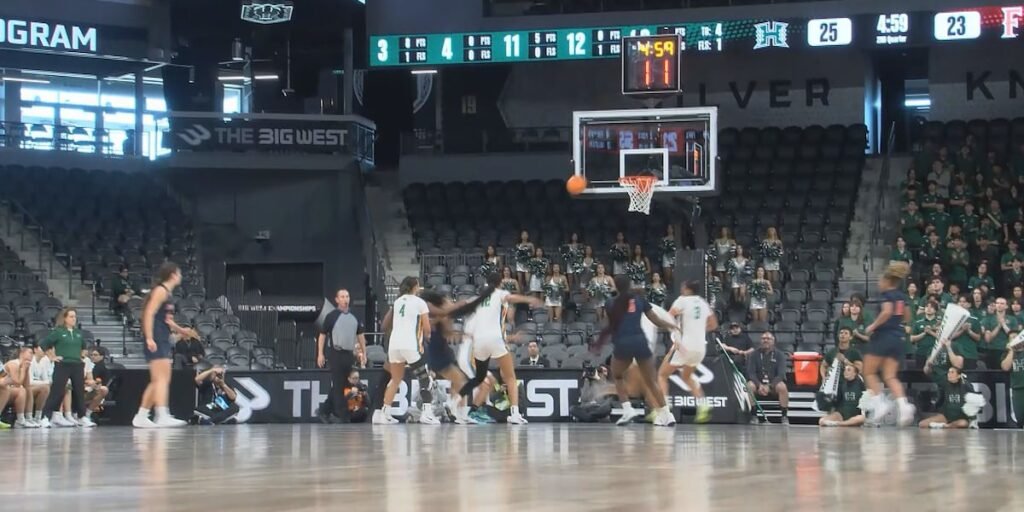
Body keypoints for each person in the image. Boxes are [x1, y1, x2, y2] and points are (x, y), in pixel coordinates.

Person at [450, 272, 542, 425]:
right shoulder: (500, 293)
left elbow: (462, 306)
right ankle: (514, 414)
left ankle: (456, 400)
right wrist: (529, 298)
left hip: (479, 342)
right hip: (495, 339)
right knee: (511, 377)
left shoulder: (479, 298)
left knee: (479, 378)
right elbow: (511, 298)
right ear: (500, 283)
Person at [599, 275, 680, 427]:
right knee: (651, 381)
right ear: (629, 285)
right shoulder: (640, 300)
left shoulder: (610, 303)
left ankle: (627, 409)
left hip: (623, 343)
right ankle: (667, 414)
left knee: (617, 376)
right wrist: (672, 326)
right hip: (641, 343)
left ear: (615, 286)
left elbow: (610, 324)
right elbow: (655, 319)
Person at [133, 262, 196, 428]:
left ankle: (141, 415)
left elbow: (167, 319)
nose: (181, 276)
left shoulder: (167, 293)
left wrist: (181, 330)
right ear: (173, 275)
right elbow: (148, 313)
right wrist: (149, 337)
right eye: (179, 273)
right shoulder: (160, 291)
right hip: (157, 337)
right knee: (161, 379)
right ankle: (161, 414)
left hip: (163, 336)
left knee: (159, 380)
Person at [860, 262, 916, 426]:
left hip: (883, 336)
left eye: (880, 281)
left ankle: (880, 403)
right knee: (890, 376)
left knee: (868, 372)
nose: (879, 283)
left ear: (887, 281)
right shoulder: (901, 296)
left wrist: (872, 326)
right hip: (897, 338)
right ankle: (904, 407)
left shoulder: (887, 295)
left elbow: (886, 312)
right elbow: (907, 317)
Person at [376, 277, 432, 425]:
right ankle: (427, 413)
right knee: (425, 379)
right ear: (415, 287)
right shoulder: (420, 302)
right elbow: (426, 328)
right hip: (410, 345)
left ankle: (385, 413)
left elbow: (386, 325)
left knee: (395, 380)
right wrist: (428, 337)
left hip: (394, 345)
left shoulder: (398, 301)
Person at [660, 281, 717, 423]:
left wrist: (675, 330)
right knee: (686, 376)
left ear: (686, 289)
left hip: (684, 345)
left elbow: (668, 316)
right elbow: (713, 324)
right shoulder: (703, 303)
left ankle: (664, 410)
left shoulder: (682, 300)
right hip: (700, 347)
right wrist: (697, 329)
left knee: (662, 375)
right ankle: (703, 405)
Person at [316, 288, 367, 424]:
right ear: (337, 300)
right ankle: (342, 416)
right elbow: (322, 335)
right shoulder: (331, 316)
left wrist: (363, 353)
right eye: (342, 297)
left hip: (349, 354)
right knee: (338, 385)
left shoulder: (354, 316)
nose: (345, 299)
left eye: (347, 296)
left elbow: (360, 336)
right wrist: (320, 354)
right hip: (336, 354)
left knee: (344, 384)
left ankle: (324, 410)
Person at [38, 308, 94, 428]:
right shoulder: (58, 332)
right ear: (64, 318)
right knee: (56, 391)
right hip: (63, 364)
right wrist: (52, 357)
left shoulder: (78, 333)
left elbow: (84, 346)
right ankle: (45, 417)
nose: (74, 319)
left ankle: (82, 417)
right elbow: (44, 344)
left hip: (77, 365)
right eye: (71, 316)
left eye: (75, 316)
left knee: (79, 391)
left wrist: (82, 355)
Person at [746, 332, 790, 425]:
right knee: (749, 385)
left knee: (782, 386)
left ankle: (784, 416)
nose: (765, 340)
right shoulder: (753, 354)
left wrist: (770, 386)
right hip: (758, 384)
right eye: (763, 338)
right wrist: (759, 385)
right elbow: (751, 373)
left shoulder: (780, 355)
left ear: (773, 341)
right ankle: (753, 415)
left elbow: (781, 374)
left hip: (773, 385)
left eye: (768, 339)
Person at [818, 363, 867, 427]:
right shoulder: (842, 385)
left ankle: (840, 424)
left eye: (849, 370)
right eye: (845, 370)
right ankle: (843, 423)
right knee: (821, 421)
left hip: (855, 414)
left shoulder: (860, 383)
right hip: (842, 414)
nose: (846, 372)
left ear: (855, 373)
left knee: (861, 418)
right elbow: (836, 400)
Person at [3, 347, 38, 428]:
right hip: (5, 388)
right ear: (22, 353)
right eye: (30, 353)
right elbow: (17, 383)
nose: (32, 355)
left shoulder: (24, 365)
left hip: (10, 390)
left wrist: (26, 369)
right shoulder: (13, 364)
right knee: (21, 391)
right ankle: (20, 419)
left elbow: (27, 385)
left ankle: (29, 417)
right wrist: (23, 370)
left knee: (28, 390)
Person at [982, 297, 1019, 370]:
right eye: (997, 303)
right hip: (992, 350)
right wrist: (999, 326)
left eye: (1002, 303)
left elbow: (1013, 336)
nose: (999, 305)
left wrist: (1004, 325)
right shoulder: (988, 319)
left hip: (1007, 350)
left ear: (1006, 306)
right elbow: (988, 339)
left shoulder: (1013, 319)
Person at [1001, 335, 1024, 428]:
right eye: (1011, 338)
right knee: (1019, 417)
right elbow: (1005, 367)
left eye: (1015, 337)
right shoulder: (1006, 354)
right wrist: (1011, 351)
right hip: (1016, 389)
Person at [28, 345, 52, 426]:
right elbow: (29, 381)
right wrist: (46, 383)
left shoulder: (42, 361)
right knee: (45, 387)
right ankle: (33, 417)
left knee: (49, 387)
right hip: (27, 386)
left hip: (37, 385)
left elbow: (45, 379)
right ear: (35, 350)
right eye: (42, 348)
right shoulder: (30, 361)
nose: (44, 350)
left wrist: (49, 382)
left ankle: (38, 417)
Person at [84, 348, 110, 417]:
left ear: (102, 356)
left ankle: (88, 413)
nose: (93, 356)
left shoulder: (100, 367)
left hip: (94, 389)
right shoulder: (89, 364)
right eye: (91, 355)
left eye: (95, 355)